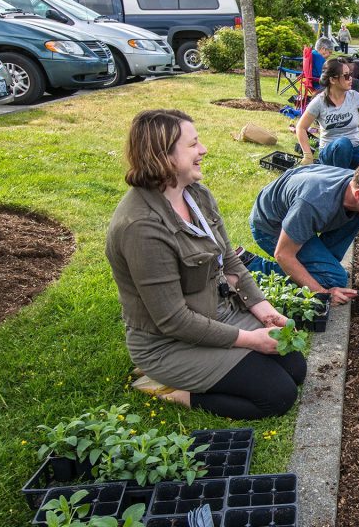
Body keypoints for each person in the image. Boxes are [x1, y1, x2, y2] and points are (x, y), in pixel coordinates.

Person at [105, 109, 306, 420]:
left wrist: (265, 310)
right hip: (168, 343)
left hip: (217, 314)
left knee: (295, 367)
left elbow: (231, 261)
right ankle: (168, 387)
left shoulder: (196, 194)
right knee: (278, 396)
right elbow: (173, 320)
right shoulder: (142, 227)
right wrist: (251, 340)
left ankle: (228, 358)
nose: (203, 150)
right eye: (193, 144)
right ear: (164, 156)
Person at [244, 162, 359, 318]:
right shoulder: (315, 202)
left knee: (330, 271)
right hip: (270, 223)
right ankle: (248, 265)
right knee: (333, 278)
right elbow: (283, 254)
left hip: (298, 216)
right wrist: (322, 293)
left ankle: (320, 269)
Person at [294, 58, 359, 168]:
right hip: (330, 152)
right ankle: (340, 177)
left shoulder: (355, 97)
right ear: (332, 80)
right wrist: (308, 155)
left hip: (355, 149)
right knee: (343, 143)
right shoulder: (320, 101)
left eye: (350, 75)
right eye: (346, 76)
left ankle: (348, 173)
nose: (351, 79)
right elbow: (301, 127)